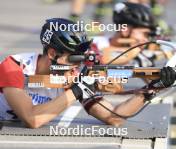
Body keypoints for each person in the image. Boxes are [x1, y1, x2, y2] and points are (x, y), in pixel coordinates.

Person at [0, 18, 175, 128]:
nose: (77, 64)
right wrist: (76, 91)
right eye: (74, 58)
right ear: (53, 53)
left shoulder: (72, 77)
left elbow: (114, 118)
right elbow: (32, 119)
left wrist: (153, 88)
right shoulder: (14, 66)